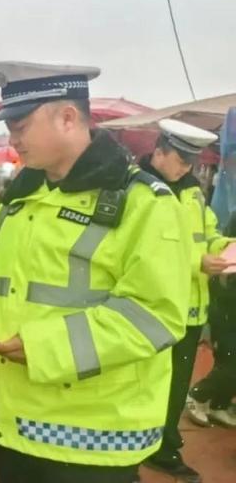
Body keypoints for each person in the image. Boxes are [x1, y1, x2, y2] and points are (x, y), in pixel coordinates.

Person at [0, 61, 191, 483]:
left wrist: (43, 346)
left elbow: (154, 315)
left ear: (68, 118)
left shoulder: (146, 204)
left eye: (21, 125)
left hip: (95, 441)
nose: (12, 138)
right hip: (18, 426)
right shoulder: (21, 201)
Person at [137, 119, 229, 482]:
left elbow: (207, 234)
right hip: (150, 308)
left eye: (192, 162)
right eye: (180, 160)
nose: (186, 169)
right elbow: (146, 249)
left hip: (189, 311)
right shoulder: (137, 190)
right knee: (143, 385)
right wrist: (197, 262)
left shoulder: (192, 193)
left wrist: (225, 249)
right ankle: (138, 448)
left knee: (175, 386)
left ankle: (164, 446)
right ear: (158, 152)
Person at [187, 211, 236, 428]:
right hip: (228, 302)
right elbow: (225, 254)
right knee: (231, 362)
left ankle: (219, 404)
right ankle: (198, 395)